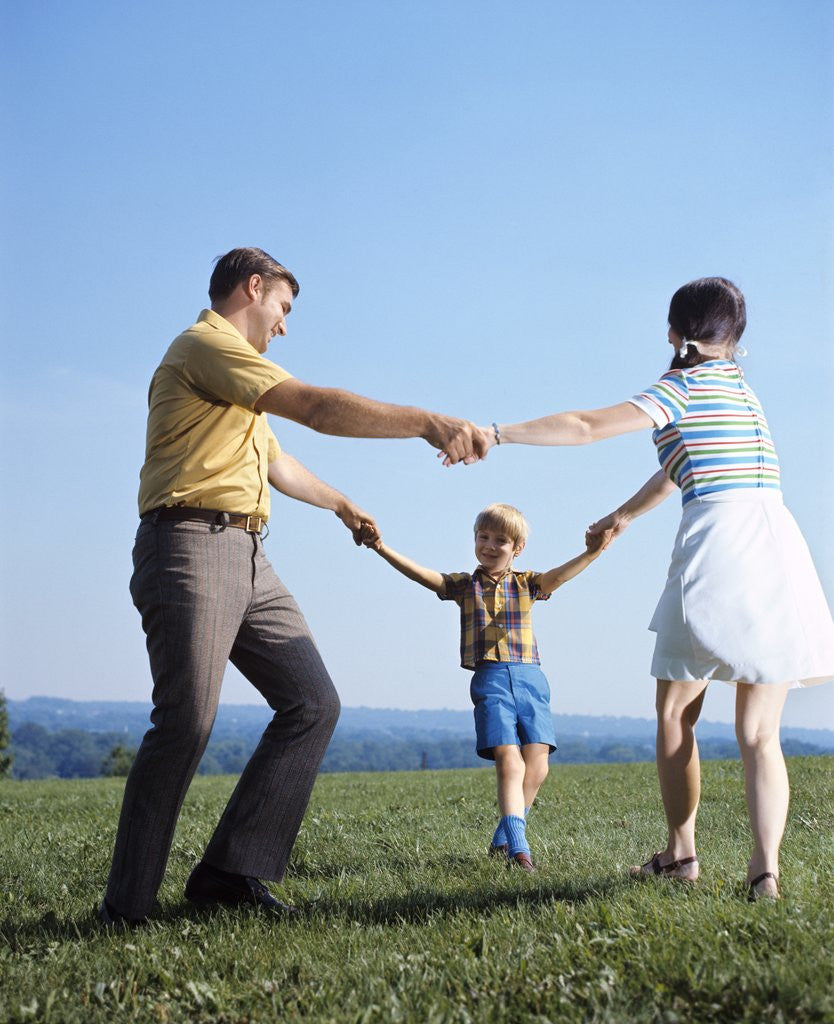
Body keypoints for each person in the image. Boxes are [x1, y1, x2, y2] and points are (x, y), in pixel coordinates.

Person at [100, 247, 489, 927]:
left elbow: (278, 462)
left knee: (312, 701)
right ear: (253, 288)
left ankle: (230, 872)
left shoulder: (237, 383)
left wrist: (341, 503)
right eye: (283, 307)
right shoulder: (205, 346)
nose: (284, 325)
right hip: (188, 543)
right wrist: (427, 421)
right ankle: (125, 905)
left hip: (249, 553)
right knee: (186, 722)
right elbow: (313, 407)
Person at [474, 277, 834, 899]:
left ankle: (682, 852)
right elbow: (682, 463)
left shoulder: (682, 387)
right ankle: (764, 873)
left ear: (674, 332)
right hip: (779, 546)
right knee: (758, 733)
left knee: (674, 712)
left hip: (719, 546)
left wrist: (497, 432)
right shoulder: (741, 393)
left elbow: (586, 426)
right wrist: (625, 514)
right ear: (736, 338)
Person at [365, 502, 611, 871]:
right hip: (491, 678)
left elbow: (560, 575)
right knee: (510, 762)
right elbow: (423, 576)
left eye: (500, 540)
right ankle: (519, 849)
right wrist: (382, 548)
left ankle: (503, 836)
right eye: (484, 537)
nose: (490, 546)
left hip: (530, 676)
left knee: (538, 765)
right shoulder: (466, 586)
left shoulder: (528, 584)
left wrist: (591, 553)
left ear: (517, 548)